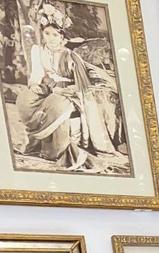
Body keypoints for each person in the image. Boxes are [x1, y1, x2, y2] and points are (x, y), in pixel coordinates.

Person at [16, 2, 124, 170]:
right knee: (25, 98)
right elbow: (38, 73)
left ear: (62, 38)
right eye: (47, 33)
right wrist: (35, 84)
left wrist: (64, 90)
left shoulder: (69, 56)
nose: (50, 38)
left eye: (55, 35)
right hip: (49, 87)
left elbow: (81, 84)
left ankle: (57, 150)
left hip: (69, 91)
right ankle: (35, 142)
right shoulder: (39, 50)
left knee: (56, 104)